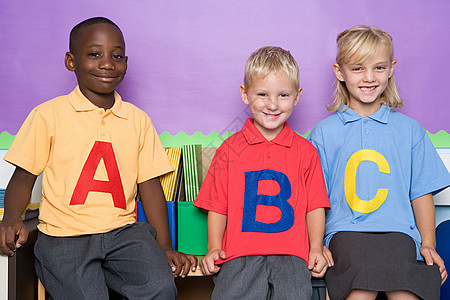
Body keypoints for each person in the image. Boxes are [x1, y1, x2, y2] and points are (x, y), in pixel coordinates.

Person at [0, 17, 196, 299]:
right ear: (71, 61)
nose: (107, 63)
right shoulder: (48, 115)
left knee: (160, 288)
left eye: (117, 56)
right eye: (94, 54)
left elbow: (150, 187)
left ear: (126, 62)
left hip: (125, 234)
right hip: (64, 236)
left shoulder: (138, 120)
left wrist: (164, 245)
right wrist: (11, 217)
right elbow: (23, 177)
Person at [308, 25, 450, 300]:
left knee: (407, 291)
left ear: (391, 68)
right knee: (360, 289)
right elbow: (314, 199)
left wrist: (428, 244)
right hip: (346, 233)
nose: (369, 77)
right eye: (358, 68)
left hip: (398, 234)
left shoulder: (409, 130)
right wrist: (316, 244)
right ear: (340, 72)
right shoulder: (324, 133)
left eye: (379, 68)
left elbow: (421, 193)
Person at [194, 46, 331, 299]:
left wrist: (315, 248)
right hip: (239, 255)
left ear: (297, 96)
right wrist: (214, 247)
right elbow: (217, 206)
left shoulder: (306, 151)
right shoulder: (228, 149)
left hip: (292, 256)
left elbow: (315, 207)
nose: (272, 105)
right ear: (245, 94)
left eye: (283, 95)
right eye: (262, 94)